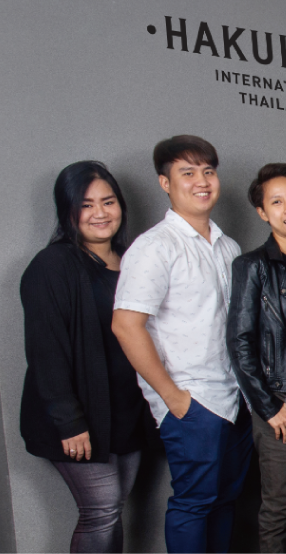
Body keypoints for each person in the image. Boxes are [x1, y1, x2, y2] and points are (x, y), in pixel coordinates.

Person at [111, 135, 252, 554]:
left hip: (235, 399)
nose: (201, 181)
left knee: (225, 501)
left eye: (208, 171)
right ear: (165, 183)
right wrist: (173, 398)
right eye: (187, 173)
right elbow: (126, 326)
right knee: (194, 503)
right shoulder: (154, 247)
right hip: (193, 401)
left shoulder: (228, 247)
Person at [19, 161, 151, 554]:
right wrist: (69, 422)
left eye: (108, 202)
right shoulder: (52, 265)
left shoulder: (133, 261)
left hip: (126, 413)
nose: (100, 213)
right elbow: (46, 350)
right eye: (86, 205)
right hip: (81, 417)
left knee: (111, 509)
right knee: (101, 510)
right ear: (68, 211)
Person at [227, 163, 286, 554]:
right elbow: (239, 341)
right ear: (263, 212)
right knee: (280, 507)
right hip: (282, 401)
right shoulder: (253, 266)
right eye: (277, 202)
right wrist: (268, 406)